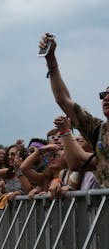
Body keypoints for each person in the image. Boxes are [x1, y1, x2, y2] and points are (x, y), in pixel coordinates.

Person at [40, 32, 109, 187]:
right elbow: (63, 100)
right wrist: (51, 60)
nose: (107, 97)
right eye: (104, 94)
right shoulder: (99, 130)